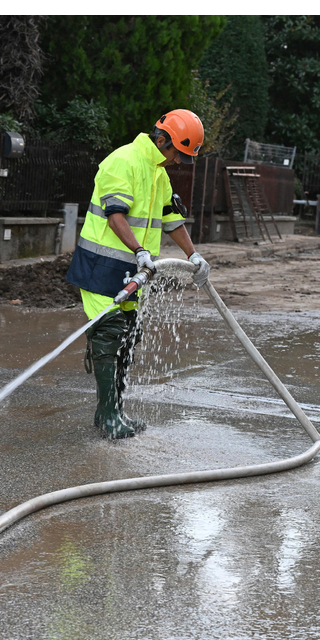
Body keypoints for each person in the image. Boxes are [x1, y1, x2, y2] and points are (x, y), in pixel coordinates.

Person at [65, 109, 211, 439]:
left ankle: (113, 412)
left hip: (134, 272)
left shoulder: (158, 173)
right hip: (101, 268)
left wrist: (194, 255)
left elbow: (171, 219)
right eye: (177, 153)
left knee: (128, 339)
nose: (178, 161)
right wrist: (139, 250)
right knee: (109, 336)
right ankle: (108, 416)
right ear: (162, 141)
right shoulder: (123, 161)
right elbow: (115, 215)